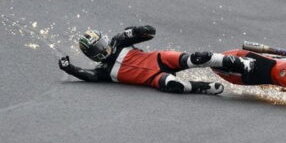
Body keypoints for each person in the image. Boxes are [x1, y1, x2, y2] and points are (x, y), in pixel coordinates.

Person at [58, 25, 254, 95]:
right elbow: (89, 76)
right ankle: (200, 87)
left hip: (161, 59)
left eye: (101, 45)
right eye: (96, 51)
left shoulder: (119, 41)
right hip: (154, 78)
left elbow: (148, 32)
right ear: (90, 55)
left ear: (105, 40)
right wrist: (71, 69)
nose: (101, 51)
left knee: (198, 57)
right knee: (173, 85)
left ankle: (238, 63)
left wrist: (139, 30)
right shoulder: (102, 71)